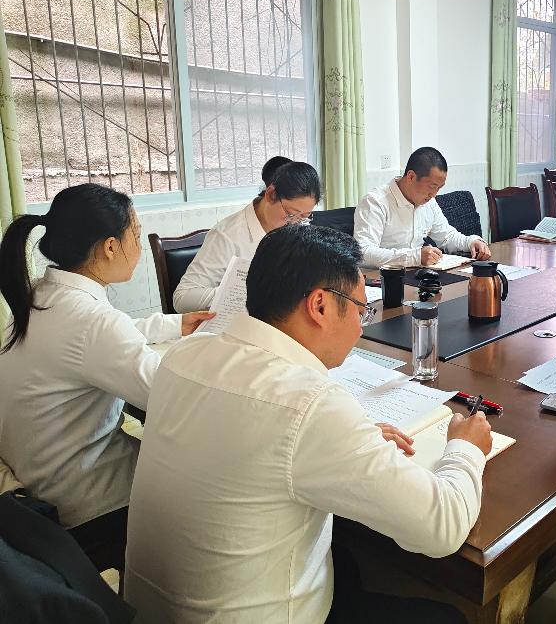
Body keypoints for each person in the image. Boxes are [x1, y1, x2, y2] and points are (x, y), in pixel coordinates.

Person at [125, 225, 492, 624]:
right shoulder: (309, 404)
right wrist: (466, 447)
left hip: (150, 609)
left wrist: (350, 440)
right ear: (319, 305)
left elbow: (250, 439)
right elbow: (442, 526)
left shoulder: (184, 353)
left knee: (348, 561)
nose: (361, 326)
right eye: (360, 309)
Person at [0, 184, 212, 533]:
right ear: (110, 247)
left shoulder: (41, 293)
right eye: (136, 236)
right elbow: (170, 394)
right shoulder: (92, 322)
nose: (138, 248)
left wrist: (177, 324)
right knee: (206, 471)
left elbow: (105, 337)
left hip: (33, 470)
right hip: (80, 493)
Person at [173, 159, 321, 312]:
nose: (295, 223)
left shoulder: (300, 226)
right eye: (290, 214)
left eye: (304, 216)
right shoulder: (227, 235)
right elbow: (182, 299)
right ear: (270, 194)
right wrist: (245, 292)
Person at [354, 146, 491, 268]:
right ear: (411, 177)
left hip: (418, 276)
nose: (434, 194)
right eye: (432, 186)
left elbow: (446, 237)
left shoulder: (429, 202)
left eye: (439, 188)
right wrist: (415, 257)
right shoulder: (375, 202)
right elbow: (363, 252)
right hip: (385, 279)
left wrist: (471, 242)